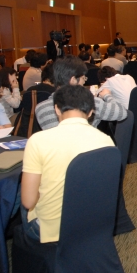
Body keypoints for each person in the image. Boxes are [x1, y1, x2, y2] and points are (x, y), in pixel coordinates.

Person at [21, 85, 115, 243]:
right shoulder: (106, 141)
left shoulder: (37, 141)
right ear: (91, 111)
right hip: (91, 223)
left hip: (50, 230)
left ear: (56, 109)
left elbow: (28, 201)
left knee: (19, 196)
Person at [35, 56, 127, 130]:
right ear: (73, 80)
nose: (84, 82)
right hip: (87, 151)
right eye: (83, 78)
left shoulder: (40, 109)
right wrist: (107, 95)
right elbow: (122, 113)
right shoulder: (90, 102)